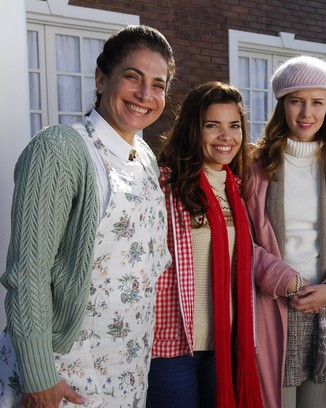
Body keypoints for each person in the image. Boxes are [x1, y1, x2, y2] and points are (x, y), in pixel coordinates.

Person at [0, 25, 175, 407]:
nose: (146, 95)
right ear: (101, 78)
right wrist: (38, 375)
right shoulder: (59, 149)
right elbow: (28, 271)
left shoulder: (144, 158)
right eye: (133, 77)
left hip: (126, 372)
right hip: (60, 373)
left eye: (158, 84)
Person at [245, 56, 326, 408]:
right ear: (281, 105)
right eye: (296, 101)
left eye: (317, 102)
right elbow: (243, 240)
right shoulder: (255, 166)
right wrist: (283, 279)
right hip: (274, 305)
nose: (306, 113)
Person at [147, 81, 263, 408]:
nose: (226, 137)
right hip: (172, 347)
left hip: (226, 347)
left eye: (234, 126)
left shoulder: (239, 189)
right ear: (193, 129)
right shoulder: (163, 183)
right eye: (213, 126)